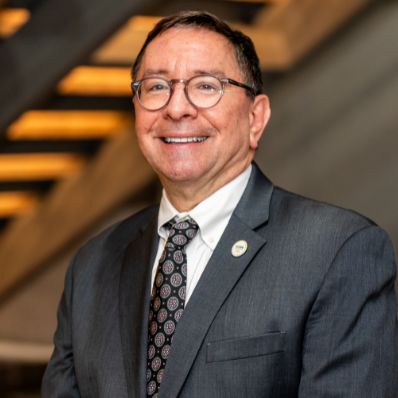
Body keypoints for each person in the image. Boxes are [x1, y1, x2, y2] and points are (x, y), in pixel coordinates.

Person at [42, 10, 398, 397]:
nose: (177, 108)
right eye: (157, 86)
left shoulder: (337, 250)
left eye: (207, 86)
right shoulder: (91, 268)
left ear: (255, 118)